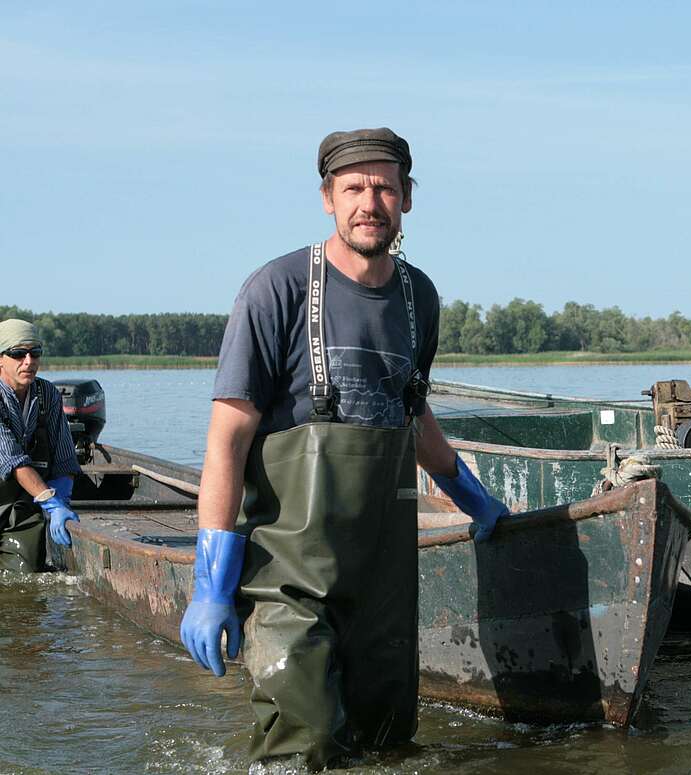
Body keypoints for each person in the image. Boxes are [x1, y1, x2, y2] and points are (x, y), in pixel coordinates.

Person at [178, 128, 510, 769]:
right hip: (289, 582)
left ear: (407, 199)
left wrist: (477, 500)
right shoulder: (276, 291)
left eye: (384, 187)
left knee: (388, 748)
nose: (369, 202)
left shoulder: (421, 300)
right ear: (328, 197)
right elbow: (227, 441)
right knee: (302, 749)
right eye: (353, 187)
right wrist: (211, 586)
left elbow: (413, 420)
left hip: (384, 586)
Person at [0, 319, 81, 572]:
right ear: (1, 358)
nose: (29, 361)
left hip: (22, 506)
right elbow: (13, 461)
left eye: (35, 353)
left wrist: (62, 501)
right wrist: (50, 501)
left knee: (25, 574)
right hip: (16, 486)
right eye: (18, 353)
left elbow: (65, 459)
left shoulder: (47, 394)